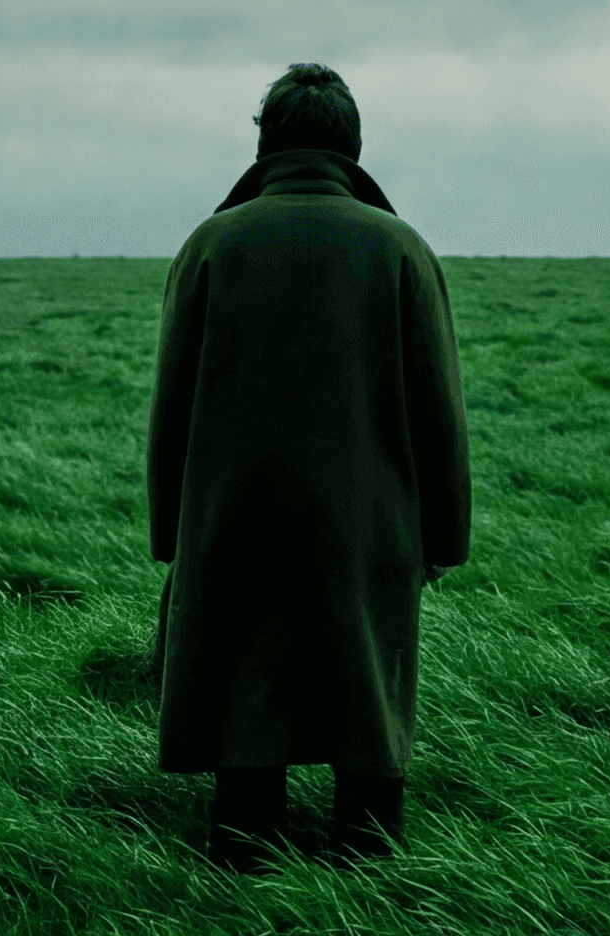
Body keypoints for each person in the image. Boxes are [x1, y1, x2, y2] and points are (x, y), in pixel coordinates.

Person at [147, 63, 471, 873]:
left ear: (265, 145)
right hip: (372, 525)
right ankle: (367, 863)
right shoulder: (402, 248)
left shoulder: (210, 245)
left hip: (232, 519)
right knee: (367, 697)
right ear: (353, 148)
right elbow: (441, 411)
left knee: (244, 697)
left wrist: (169, 534)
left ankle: (245, 862)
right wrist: (447, 536)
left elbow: (171, 410)